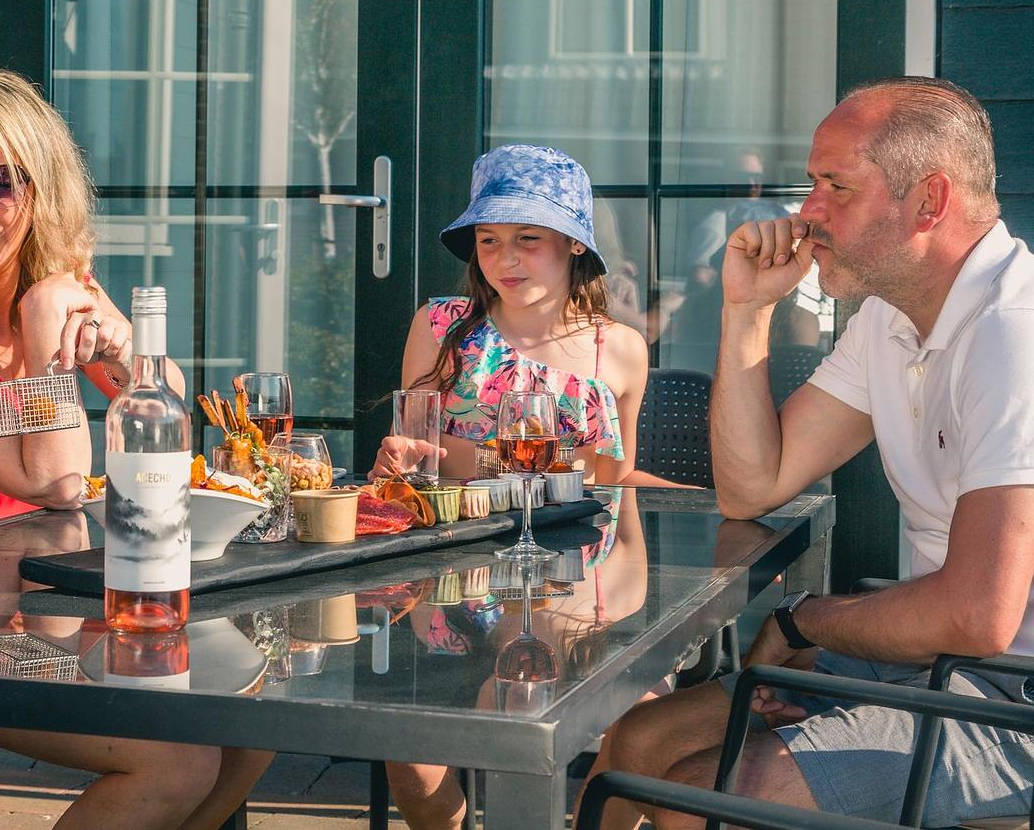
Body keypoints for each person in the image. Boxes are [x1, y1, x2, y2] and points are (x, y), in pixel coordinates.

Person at [0, 68, 267, 830]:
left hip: (33, 601)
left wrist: (121, 344)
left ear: (42, 183)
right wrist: (43, 330)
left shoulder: (55, 285)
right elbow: (55, 479)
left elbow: (168, 404)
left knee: (251, 721)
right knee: (178, 760)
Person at [590, 76, 1034, 829]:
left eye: (836, 186)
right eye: (811, 184)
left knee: (696, 797)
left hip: (1010, 701)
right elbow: (753, 485)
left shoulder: (1010, 334)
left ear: (929, 200)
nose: (807, 211)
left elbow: (977, 615)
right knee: (637, 742)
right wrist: (747, 311)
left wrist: (807, 620)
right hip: (930, 662)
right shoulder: (890, 319)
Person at [367, 143, 664, 829]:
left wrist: (631, 586)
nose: (506, 258)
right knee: (408, 754)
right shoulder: (443, 327)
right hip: (453, 571)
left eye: (528, 238)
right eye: (489, 240)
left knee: (645, 725)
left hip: (578, 574)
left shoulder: (618, 348)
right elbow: (417, 449)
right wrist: (529, 463)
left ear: (573, 244)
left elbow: (617, 480)